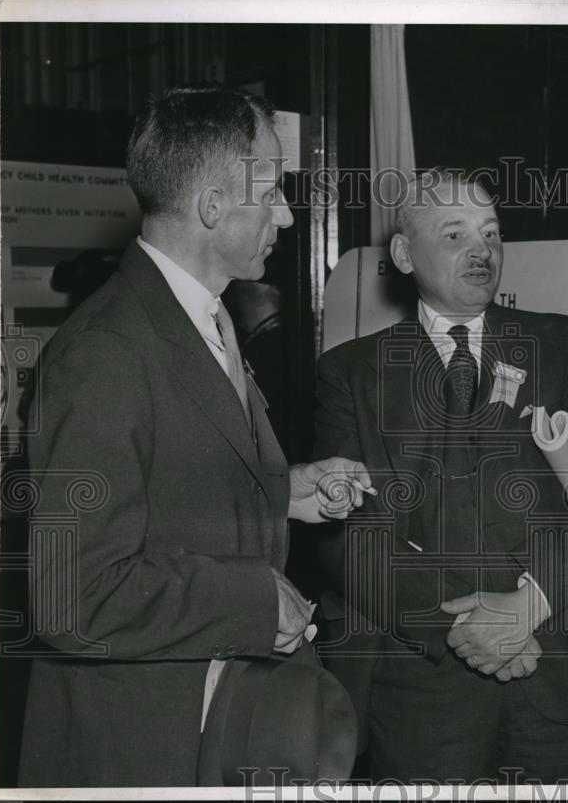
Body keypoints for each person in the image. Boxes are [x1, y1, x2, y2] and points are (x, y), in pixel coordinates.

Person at [18, 85, 370, 787]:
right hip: (140, 747)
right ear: (213, 207)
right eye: (271, 192)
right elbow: (71, 594)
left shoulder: (202, 315)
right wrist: (251, 600)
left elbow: (171, 480)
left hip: (214, 726)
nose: (288, 213)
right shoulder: (105, 352)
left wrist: (282, 489)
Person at [312, 169, 568, 783]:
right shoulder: (349, 375)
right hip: (421, 685)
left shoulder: (561, 345)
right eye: (454, 234)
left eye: (491, 233)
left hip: (555, 669)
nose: (481, 251)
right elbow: (347, 537)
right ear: (404, 254)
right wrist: (464, 629)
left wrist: (528, 606)